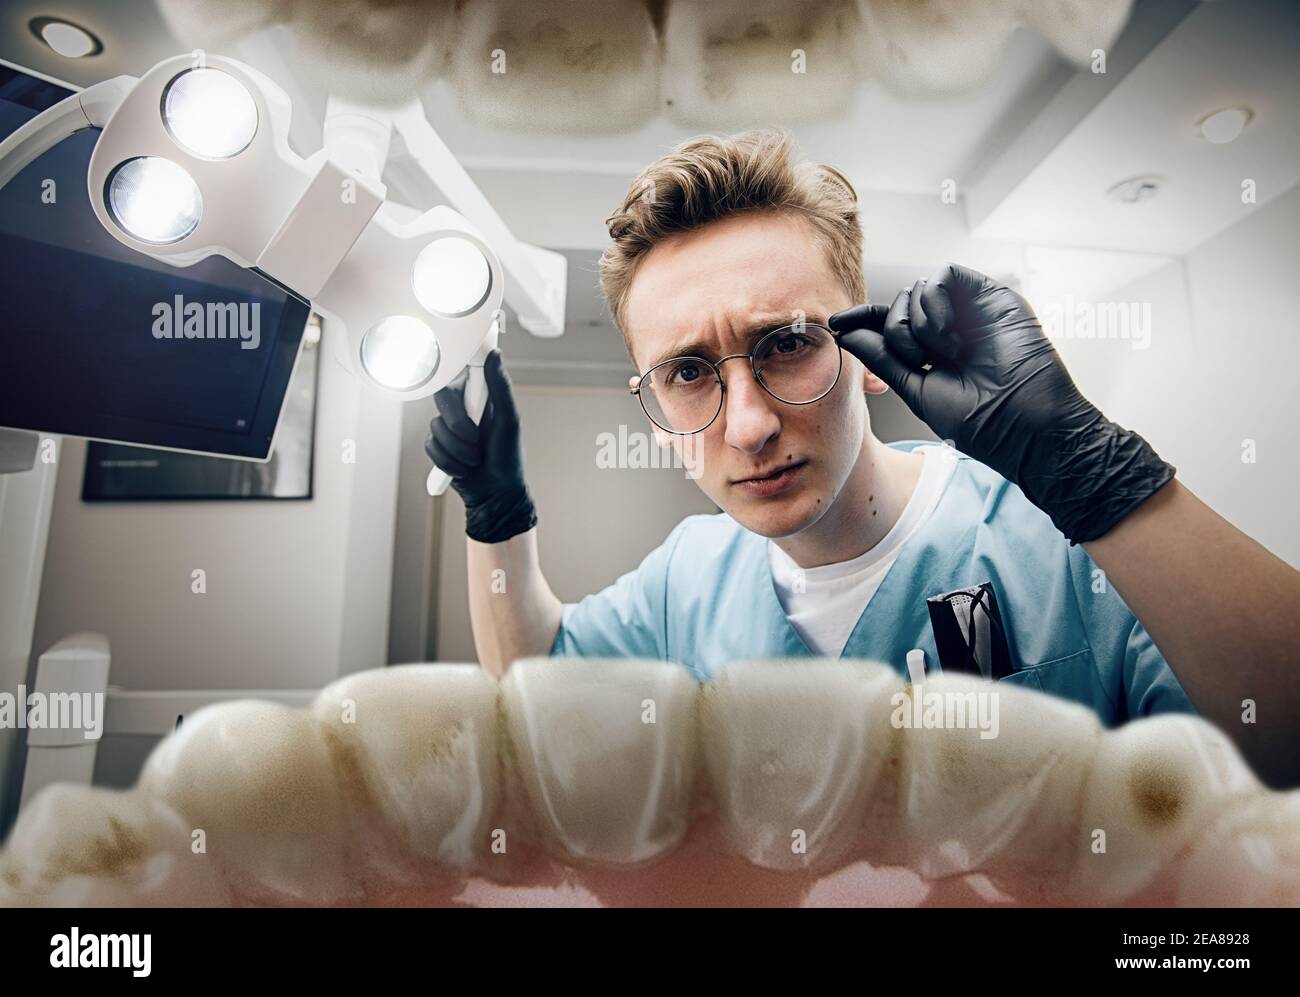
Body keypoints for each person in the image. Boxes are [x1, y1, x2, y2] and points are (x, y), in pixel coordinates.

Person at [426, 129, 1300, 788]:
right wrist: (495, 513)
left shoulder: (1059, 537)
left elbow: (1281, 748)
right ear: (655, 411)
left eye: (788, 343)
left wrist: (1094, 470)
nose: (749, 426)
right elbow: (539, 688)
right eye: (689, 372)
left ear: (869, 355)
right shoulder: (686, 582)